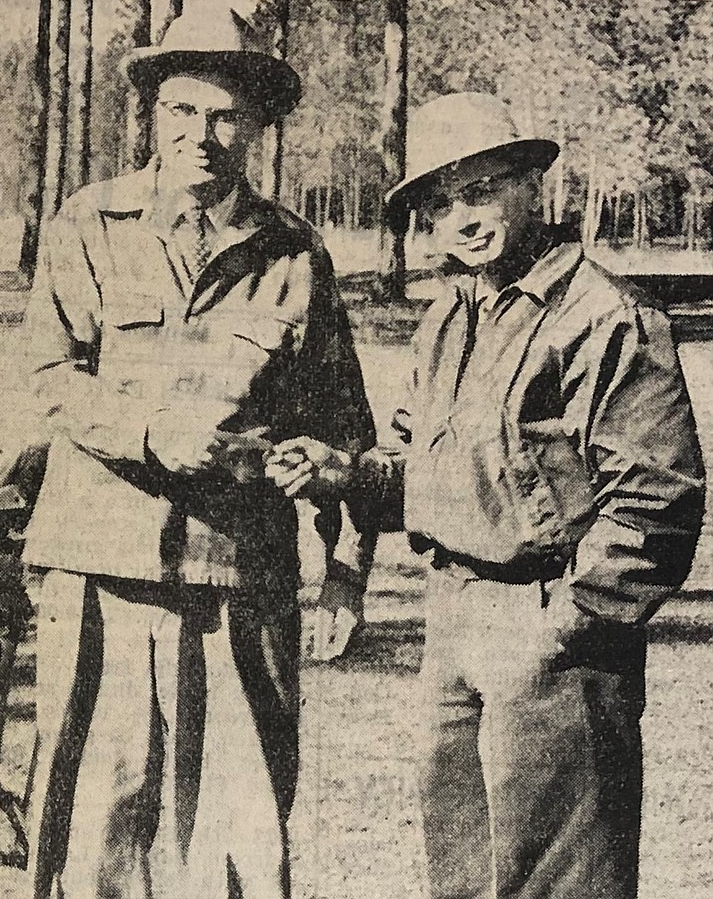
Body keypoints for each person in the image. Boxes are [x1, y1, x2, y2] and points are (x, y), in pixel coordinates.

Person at [265, 91, 706, 899]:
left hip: (553, 630)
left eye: (481, 189)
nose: (463, 219)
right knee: (462, 877)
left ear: (532, 182)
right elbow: (433, 466)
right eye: (439, 205)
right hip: (453, 620)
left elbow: (656, 498)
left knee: (557, 883)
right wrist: (351, 472)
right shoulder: (450, 317)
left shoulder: (602, 316)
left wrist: (565, 629)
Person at [20, 7, 378, 897]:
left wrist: (345, 562)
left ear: (255, 126)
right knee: (99, 811)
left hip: (238, 578)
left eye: (225, 117)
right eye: (181, 112)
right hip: (99, 569)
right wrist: (149, 432)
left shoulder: (294, 251)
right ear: (151, 115)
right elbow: (49, 376)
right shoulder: (88, 224)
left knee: (239, 818)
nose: (202, 137)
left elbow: (343, 423)